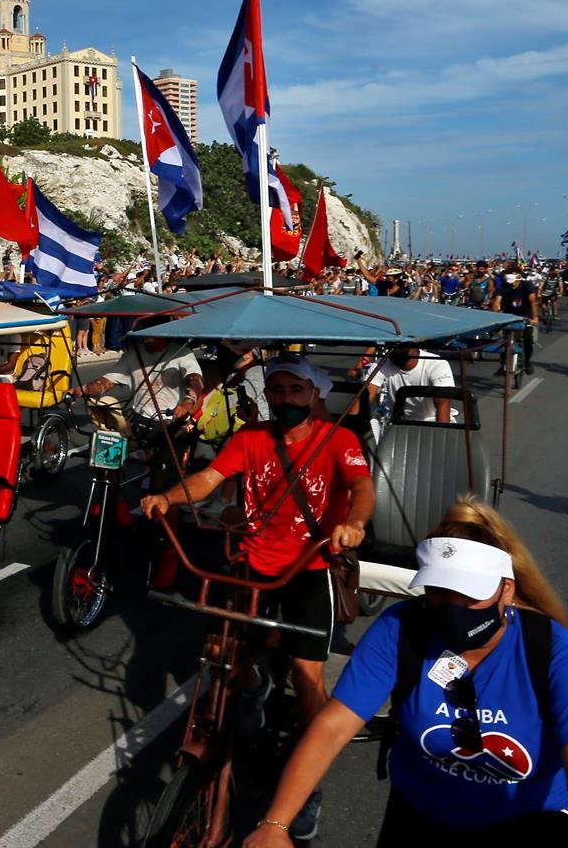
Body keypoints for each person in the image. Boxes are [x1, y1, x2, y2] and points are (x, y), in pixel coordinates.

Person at [243, 500, 568, 848]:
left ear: (507, 590)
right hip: (420, 817)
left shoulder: (556, 655)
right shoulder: (403, 629)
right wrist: (275, 824)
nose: (454, 608)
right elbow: (333, 727)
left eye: (469, 595)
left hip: (526, 823)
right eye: (440, 593)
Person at [141, 357, 375, 840]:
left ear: (314, 393)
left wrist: (354, 523)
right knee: (227, 657)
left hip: (308, 568)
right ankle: (252, 690)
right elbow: (209, 480)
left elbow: (360, 486)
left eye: (295, 389)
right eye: (277, 390)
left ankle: (306, 789)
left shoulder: (340, 440)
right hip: (252, 562)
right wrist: (169, 496)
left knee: (307, 676)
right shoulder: (250, 438)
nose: (285, 398)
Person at [78, 323, 205, 439]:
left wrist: (187, 403)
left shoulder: (182, 353)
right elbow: (107, 381)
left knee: (171, 460)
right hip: (141, 418)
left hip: (172, 419)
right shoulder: (133, 353)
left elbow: (195, 379)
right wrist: (80, 390)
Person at [357, 344, 460, 444]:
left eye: (402, 346)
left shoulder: (436, 364)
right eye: (391, 345)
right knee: (370, 423)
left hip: (432, 423)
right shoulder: (383, 363)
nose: (395, 350)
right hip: (398, 424)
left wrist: (440, 442)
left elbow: (443, 406)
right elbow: (361, 401)